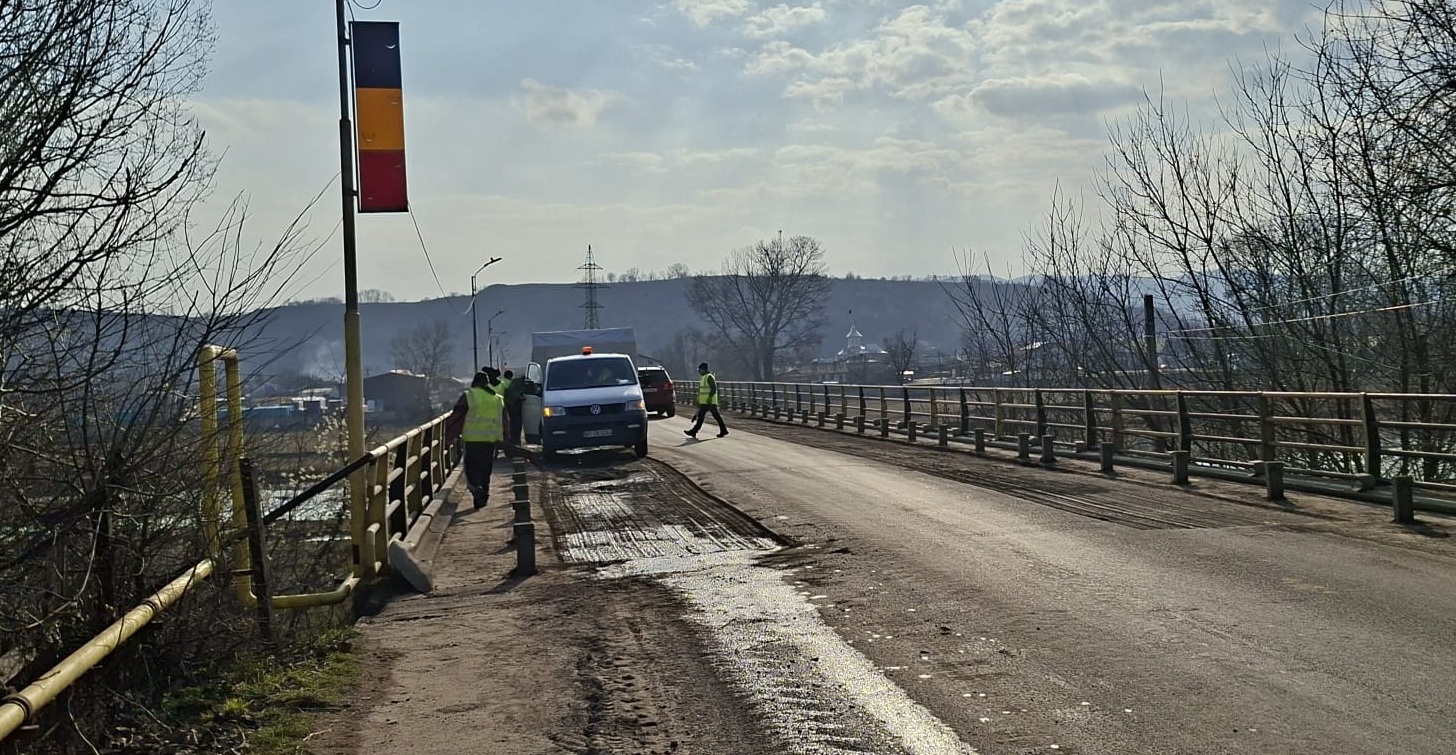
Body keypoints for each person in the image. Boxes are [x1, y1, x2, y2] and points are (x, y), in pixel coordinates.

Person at [445, 368, 508, 509]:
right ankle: (483, 496)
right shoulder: (498, 399)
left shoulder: (469, 395)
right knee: (485, 468)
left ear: (474, 382)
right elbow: (505, 421)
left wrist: (449, 435)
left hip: (472, 440)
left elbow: (457, 417)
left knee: (471, 469)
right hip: (490, 440)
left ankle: (476, 489)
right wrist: (505, 440)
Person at [684, 362, 728, 438]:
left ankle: (723, 430)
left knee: (716, 416)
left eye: (699, 370)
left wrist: (710, 398)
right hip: (705, 402)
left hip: (710, 401)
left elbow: (713, 388)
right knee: (701, 417)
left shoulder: (709, 377)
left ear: (703, 370)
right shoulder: (704, 377)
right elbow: (702, 391)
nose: (699, 372)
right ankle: (694, 431)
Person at [502, 368, 526, 445]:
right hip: (512, 405)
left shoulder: (502, 383)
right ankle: (514, 439)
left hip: (504, 405)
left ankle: (510, 439)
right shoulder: (512, 384)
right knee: (515, 423)